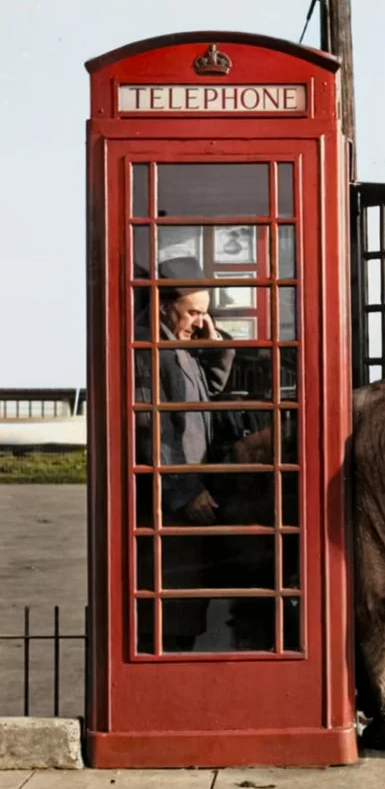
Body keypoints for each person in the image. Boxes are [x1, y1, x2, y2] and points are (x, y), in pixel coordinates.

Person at [134, 256, 237, 651]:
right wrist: (185, 490)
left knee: (186, 606)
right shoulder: (147, 348)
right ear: (164, 304)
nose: (199, 321)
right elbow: (151, 428)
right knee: (169, 614)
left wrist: (216, 345)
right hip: (167, 503)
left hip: (186, 495)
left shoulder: (177, 344)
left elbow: (208, 392)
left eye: (204, 313)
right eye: (193, 312)